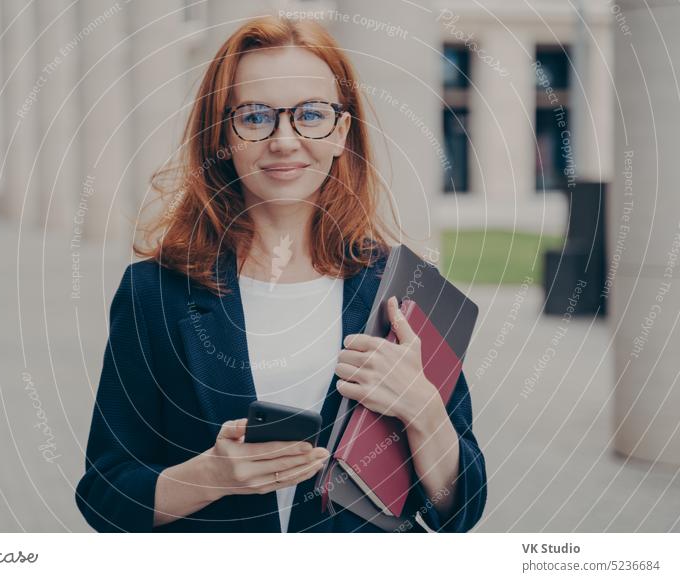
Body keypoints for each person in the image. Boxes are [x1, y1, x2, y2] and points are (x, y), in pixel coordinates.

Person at [75, 15, 486, 533]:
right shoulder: (154, 293)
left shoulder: (404, 289)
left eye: (311, 114)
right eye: (254, 116)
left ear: (341, 132)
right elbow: (104, 495)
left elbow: (461, 509)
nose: (285, 140)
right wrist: (212, 476)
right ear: (221, 134)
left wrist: (425, 412)